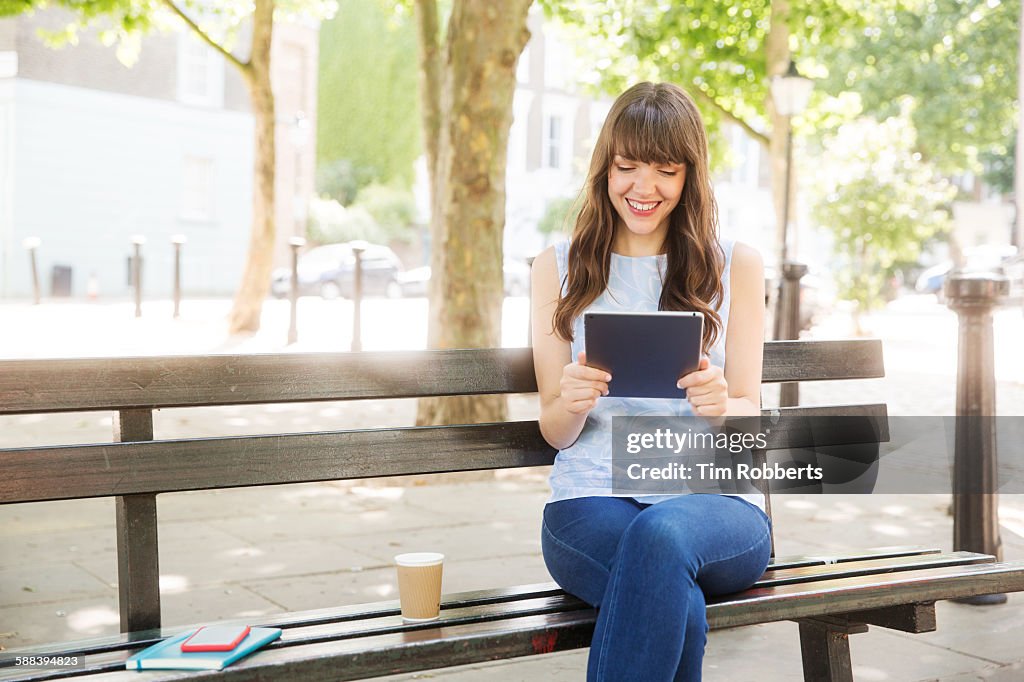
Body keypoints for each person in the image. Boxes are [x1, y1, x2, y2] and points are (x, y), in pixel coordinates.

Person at [531, 82, 771, 681]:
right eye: (627, 167)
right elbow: (554, 432)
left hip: (713, 504)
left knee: (662, 534)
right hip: (590, 502)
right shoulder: (557, 268)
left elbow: (747, 419)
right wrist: (573, 402)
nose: (644, 188)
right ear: (604, 168)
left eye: (665, 170)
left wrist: (722, 406)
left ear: (690, 176)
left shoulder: (734, 264)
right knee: (672, 595)